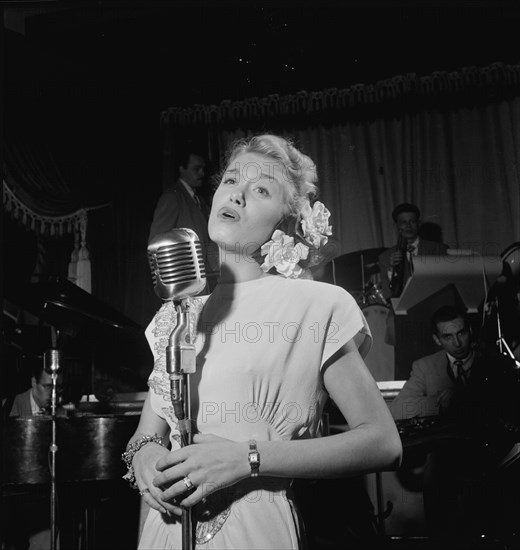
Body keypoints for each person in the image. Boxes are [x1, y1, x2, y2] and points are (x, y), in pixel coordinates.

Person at [124, 134, 402, 549]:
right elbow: (147, 434)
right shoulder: (175, 313)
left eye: (260, 190)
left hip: (254, 531)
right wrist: (144, 457)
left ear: (285, 222)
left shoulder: (315, 305)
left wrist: (247, 459)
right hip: (163, 532)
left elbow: (383, 443)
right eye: (231, 180)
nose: (236, 194)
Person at [390, 305, 520, 548]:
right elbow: (398, 409)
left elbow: (509, 408)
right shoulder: (424, 367)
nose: (457, 342)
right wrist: (438, 402)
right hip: (446, 455)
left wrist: (462, 399)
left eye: (461, 333)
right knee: (438, 472)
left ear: (470, 331)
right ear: (436, 339)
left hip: (492, 452)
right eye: (448, 336)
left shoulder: (494, 361)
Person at [148, 143, 219, 285]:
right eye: (196, 169)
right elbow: (156, 244)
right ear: (182, 169)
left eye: (202, 169)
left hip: (203, 282)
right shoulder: (172, 198)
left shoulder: (200, 200)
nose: (202, 173)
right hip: (182, 284)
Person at [378, 203, 448, 302]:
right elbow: (388, 294)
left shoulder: (439, 249)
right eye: (403, 222)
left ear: (419, 224)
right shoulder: (385, 257)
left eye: (412, 221)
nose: (408, 226)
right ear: (396, 226)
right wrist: (392, 268)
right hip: (402, 309)